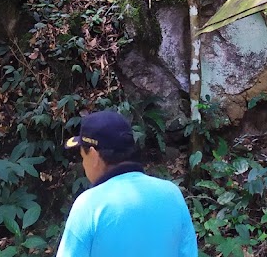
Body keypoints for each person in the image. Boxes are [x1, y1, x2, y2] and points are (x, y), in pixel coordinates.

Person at [56, 110, 198, 257]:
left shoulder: (90, 205)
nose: (84, 165)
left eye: (82, 157)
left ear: (93, 155)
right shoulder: (172, 194)